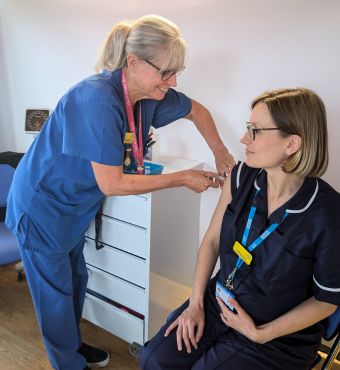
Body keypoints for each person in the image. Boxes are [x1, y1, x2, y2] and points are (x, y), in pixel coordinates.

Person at [5, 15, 235, 370]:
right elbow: (111, 183)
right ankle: (68, 362)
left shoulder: (149, 96)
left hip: (73, 207)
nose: (172, 81)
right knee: (53, 294)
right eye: (166, 72)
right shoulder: (96, 99)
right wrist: (183, 178)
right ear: (133, 62)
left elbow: (197, 111)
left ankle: (73, 345)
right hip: (42, 207)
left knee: (76, 280)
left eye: (178, 71)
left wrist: (220, 152)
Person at [139, 88, 340, 370]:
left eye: (255, 131)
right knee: (153, 360)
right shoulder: (241, 177)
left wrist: (260, 334)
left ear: (292, 143)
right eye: (248, 128)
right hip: (217, 302)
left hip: (276, 334)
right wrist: (195, 303)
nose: (244, 138)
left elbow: (326, 301)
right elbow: (211, 241)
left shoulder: (328, 213)